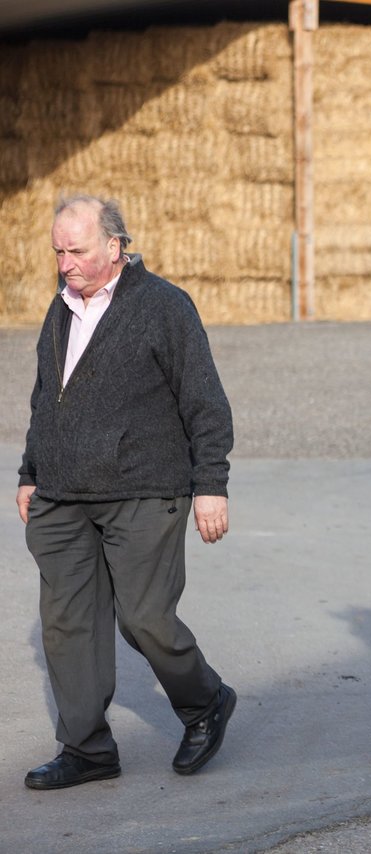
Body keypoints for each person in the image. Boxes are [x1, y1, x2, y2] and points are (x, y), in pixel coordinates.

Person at [17, 195, 237, 790]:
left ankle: (204, 702)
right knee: (68, 625)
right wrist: (31, 472)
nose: (66, 264)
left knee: (143, 619)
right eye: (59, 251)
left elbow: (205, 403)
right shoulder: (59, 308)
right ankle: (87, 750)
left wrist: (210, 485)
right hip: (63, 497)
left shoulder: (164, 306)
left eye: (78, 251)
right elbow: (46, 396)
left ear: (114, 247)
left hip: (144, 489)